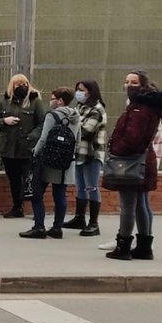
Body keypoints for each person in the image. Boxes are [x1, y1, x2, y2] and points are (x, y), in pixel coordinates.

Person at [103, 71, 162, 261]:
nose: (128, 85)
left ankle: (123, 246)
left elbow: (132, 138)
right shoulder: (150, 106)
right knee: (141, 204)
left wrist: (116, 149)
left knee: (128, 205)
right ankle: (144, 247)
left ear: (143, 85)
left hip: (132, 162)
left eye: (133, 82)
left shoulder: (138, 109)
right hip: (144, 160)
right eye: (126, 82)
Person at [19, 88, 80, 239]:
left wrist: (35, 152)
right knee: (60, 194)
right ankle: (57, 228)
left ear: (60, 100)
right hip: (66, 161)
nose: (50, 100)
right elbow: (78, 139)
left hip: (48, 160)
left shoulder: (52, 115)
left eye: (53, 98)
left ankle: (38, 226)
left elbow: (44, 138)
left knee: (37, 192)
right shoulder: (76, 116)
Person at [0, 74, 45, 219]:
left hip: (27, 148)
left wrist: (31, 137)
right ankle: (17, 207)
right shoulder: (5, 101)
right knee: (14, 179)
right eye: (17, 85)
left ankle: (37, 210)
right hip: (8, 148)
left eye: (24, 84)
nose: (21, 87)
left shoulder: (35, 101)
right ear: (12, 86)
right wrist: (5, 120)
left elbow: (42, 123)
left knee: (30, 180)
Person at [63, 80, 107, 238]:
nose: (78, 93)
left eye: (82, 90)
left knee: (92, 187)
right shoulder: (80, 107)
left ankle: (94, 224)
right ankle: (79, 218)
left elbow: (86, 130)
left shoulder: (97, 109)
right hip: (78, 153)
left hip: (91, 153)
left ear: (91, 91)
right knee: (80, 187)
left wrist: (70, 124)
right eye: (78, 90)